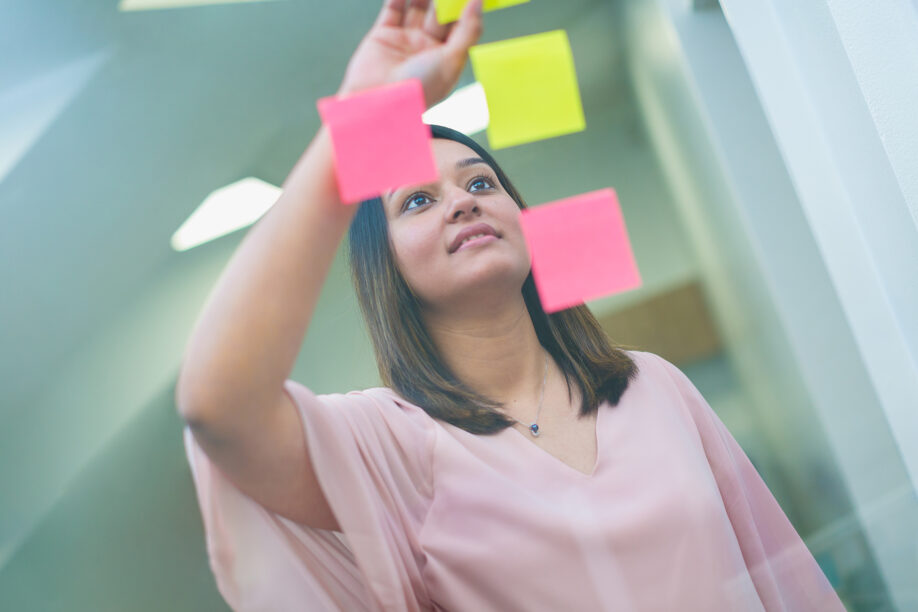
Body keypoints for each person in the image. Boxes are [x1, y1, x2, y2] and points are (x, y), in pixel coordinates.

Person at [175, 0, 846, 610]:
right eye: (417, 200)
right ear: (388, 270)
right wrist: (358, 119)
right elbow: (218, 405)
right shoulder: (392, 446)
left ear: (522, 219)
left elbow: (785, 580)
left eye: (480, 182)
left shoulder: (653, 386)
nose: (463, 200)